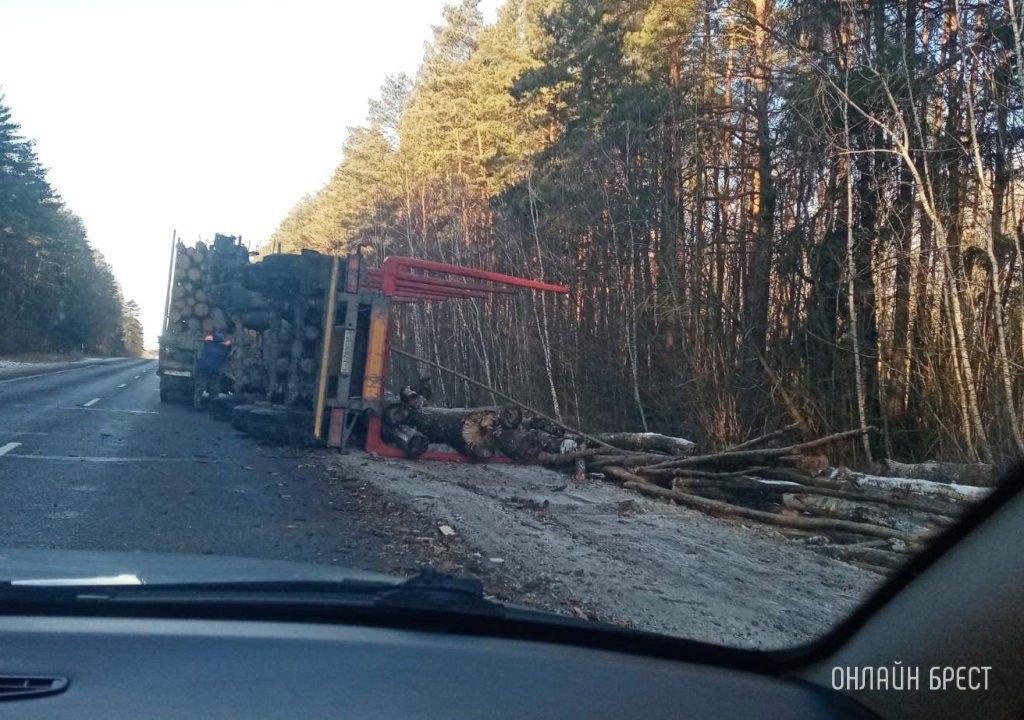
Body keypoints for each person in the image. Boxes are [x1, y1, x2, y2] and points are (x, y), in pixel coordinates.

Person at [193, 333, 232, 409]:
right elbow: (226, 359)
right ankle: (212, 404)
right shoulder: (223, 348)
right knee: (214, 389)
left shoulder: (207, 344)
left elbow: (199, 356)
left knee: (200, 387)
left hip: (204, 368)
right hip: (215, 370)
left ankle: (197, 403)